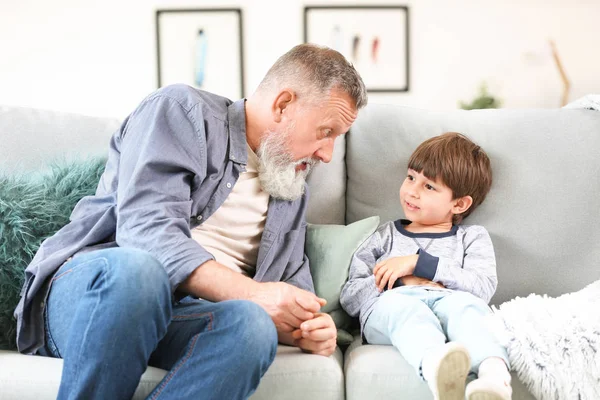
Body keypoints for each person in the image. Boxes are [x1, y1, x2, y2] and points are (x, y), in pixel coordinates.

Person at [14, 43, 367, 399]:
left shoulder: (290, 184)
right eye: (326, 132)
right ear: (283, 104)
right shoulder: (183, 112)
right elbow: (144, 231)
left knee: (252, 326)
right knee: (142, 273)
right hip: (103, 295)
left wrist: (306, 326)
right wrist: (253, 293)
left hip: (183, 317)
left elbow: (288, 281)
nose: (327, 154)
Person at [340, 132, 512, 400]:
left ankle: (494, 381)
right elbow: (351, 297)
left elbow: (482, 288)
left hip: (449, 303)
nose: (412, 190)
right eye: (410, 177)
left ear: (459, 204)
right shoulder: (384, 235)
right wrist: (400, 282)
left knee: (469, 310)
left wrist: (421, 264)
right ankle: (437, 371)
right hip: (391, 308)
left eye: (429, 187)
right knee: (405, 310)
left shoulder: (472, 237)